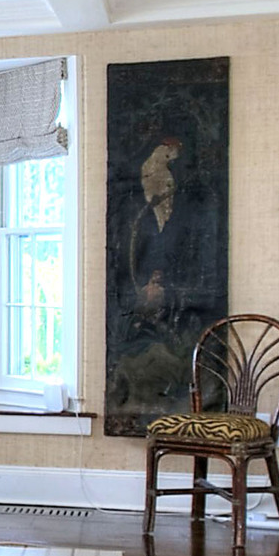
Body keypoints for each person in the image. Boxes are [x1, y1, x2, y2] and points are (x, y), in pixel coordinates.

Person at [112, 136, 219, 416]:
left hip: (183, 327)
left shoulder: (195, 217)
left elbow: (207, 283)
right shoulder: (137, 221)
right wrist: (145, 294)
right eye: (152, 180)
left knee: (169, 361)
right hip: (147, 328)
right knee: (135, 363)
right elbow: (125, 280)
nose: (159, 189)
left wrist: (168, 293)